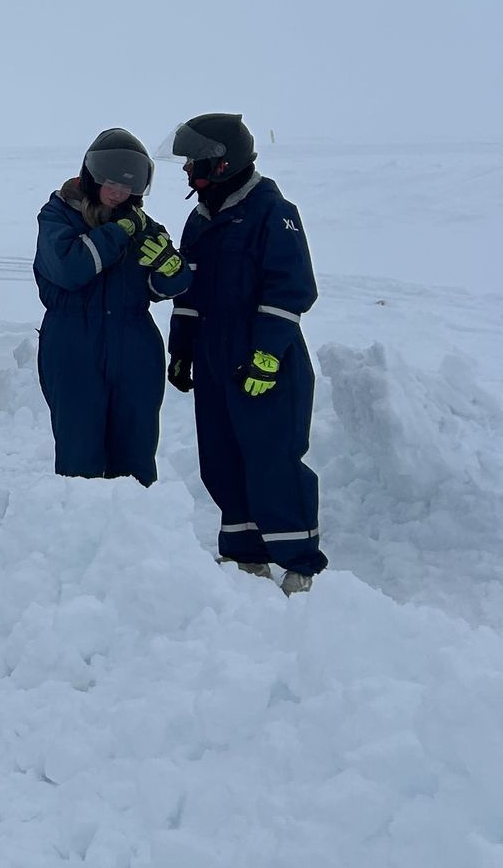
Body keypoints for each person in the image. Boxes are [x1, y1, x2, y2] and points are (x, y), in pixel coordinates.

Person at [168, 113, 323, 591]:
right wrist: (182, 350)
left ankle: (299, 562)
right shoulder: (200, 219)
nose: (188, 169)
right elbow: (189, 293)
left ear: (222, 163)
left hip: (264, 361)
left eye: (195, 160)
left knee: (271, 457)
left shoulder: (272, 212)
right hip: (215, 361)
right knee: (221, 457)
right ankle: (243, 554)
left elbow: (291, 288)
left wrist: (268, 355)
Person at [34, 128, 191, 488]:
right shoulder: (57, 217)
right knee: (80, 454)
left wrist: (172, 269)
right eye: (111, 183)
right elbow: (70, 269)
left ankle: (135, 532)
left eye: (128, 185)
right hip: (73, 343)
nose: (119, 192)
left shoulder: (144, 227)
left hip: (133, 344)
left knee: (135, 454)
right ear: (92, 178)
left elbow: (165, 286)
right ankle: (82, 531)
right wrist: (118, 233)